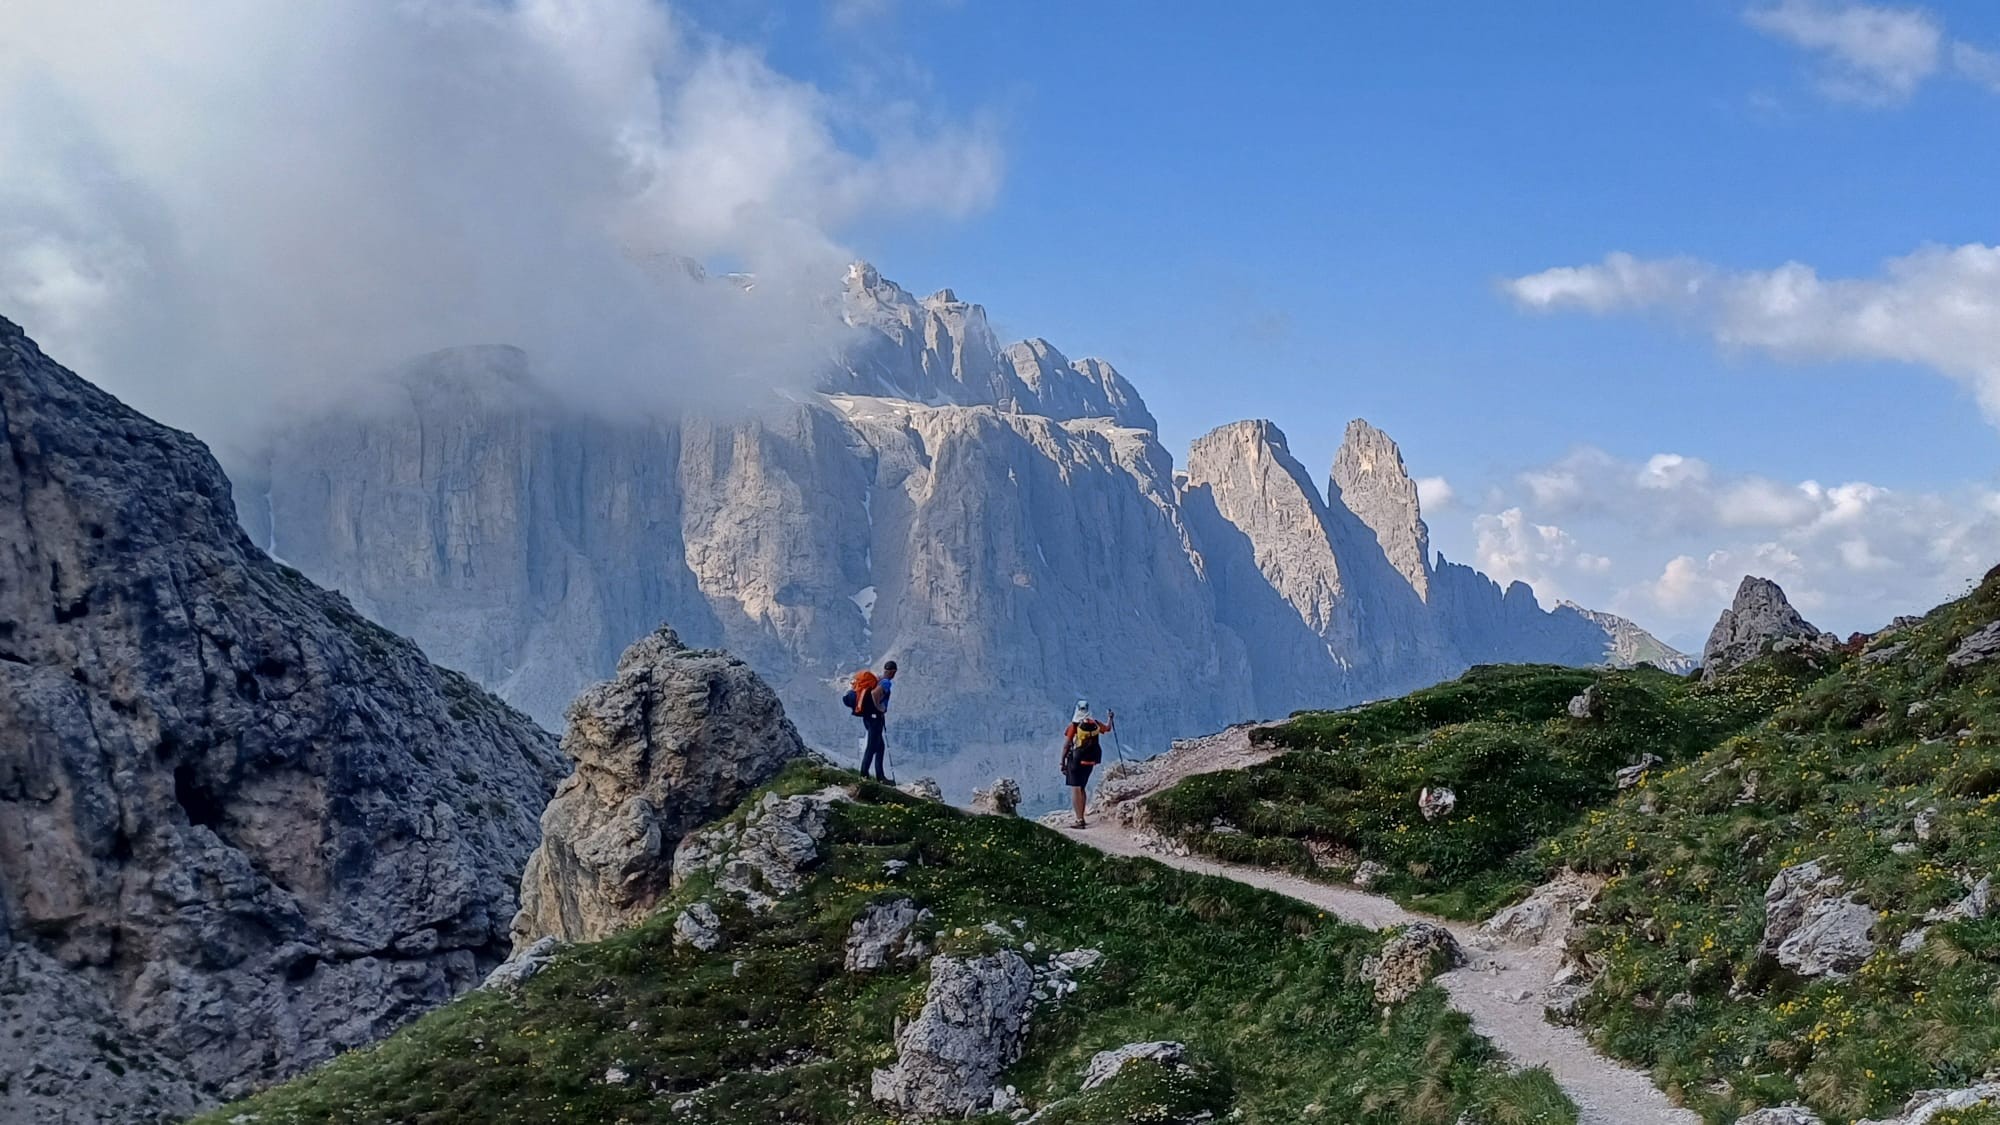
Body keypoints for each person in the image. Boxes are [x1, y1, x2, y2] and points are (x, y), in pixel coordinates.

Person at [1060, 700, 1114, 829]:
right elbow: (1107, 728)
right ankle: (1081, 817)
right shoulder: (1095, 723)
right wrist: (1110, 718)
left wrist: (1062, 762)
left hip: (1076, 760)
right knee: (1082, 787)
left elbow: (1066, 745)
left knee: (1075, 788)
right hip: (1091, 760)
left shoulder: (1074, 725)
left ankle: (1079, 820)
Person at [851, 661, 897, 782]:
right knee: (872, 747)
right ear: (893, 672)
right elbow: (875, 693)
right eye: (894, 672)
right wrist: (879, 708)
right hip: (875, 718)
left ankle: (880, 776)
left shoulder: (878, 679)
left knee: (880, 747)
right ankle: (864, 775)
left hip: (868, 717)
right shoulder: (886, 682)